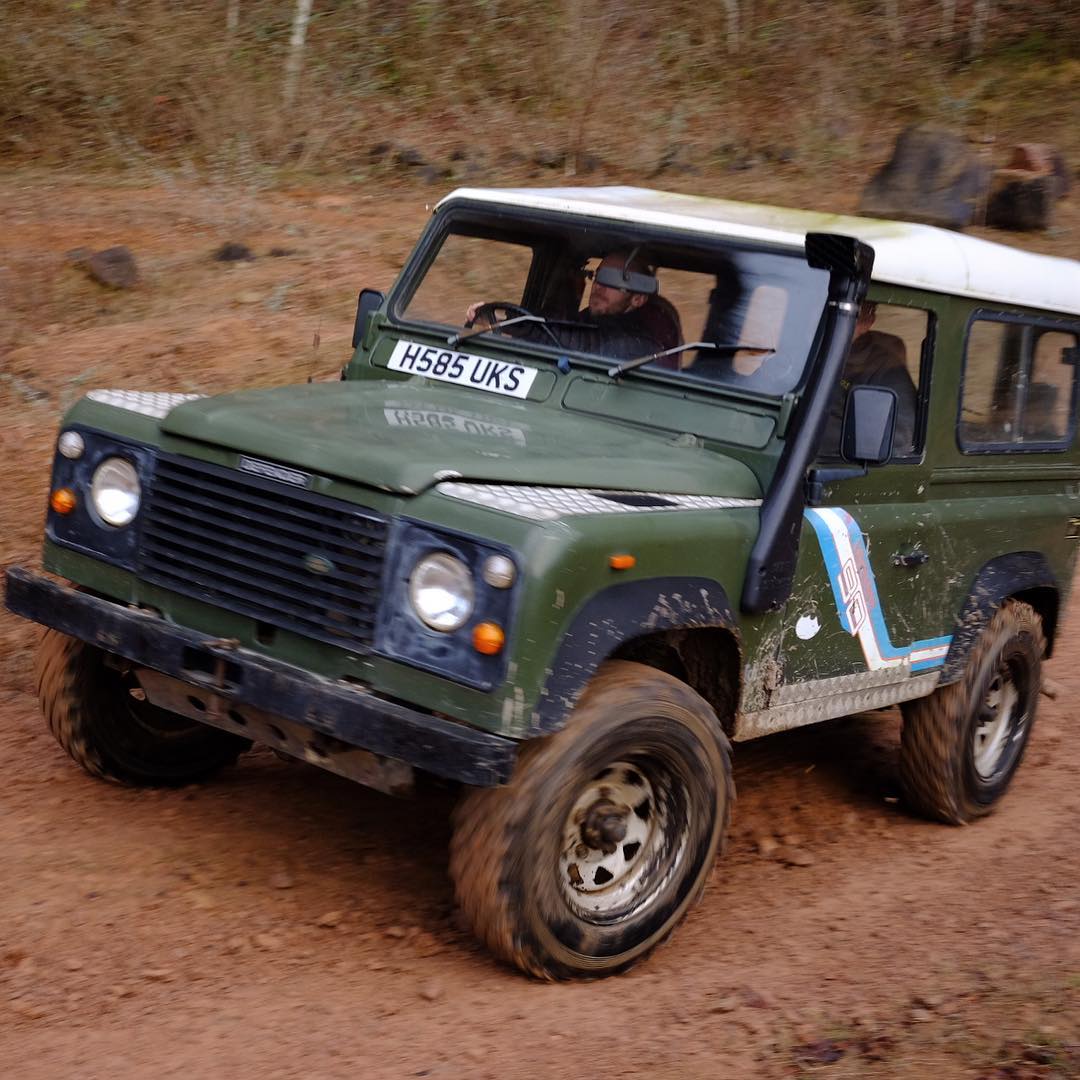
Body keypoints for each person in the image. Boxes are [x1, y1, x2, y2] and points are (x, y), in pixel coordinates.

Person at [466, 251, 677, 360]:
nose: (599, 286)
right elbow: (558, 326)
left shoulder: (641, 344)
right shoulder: (586, 319)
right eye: (598, 277)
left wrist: (510, 323)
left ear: (637, 299)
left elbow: (577, 342)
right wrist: (502, 320)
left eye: (613, 281)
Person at [821, 301, 917, 458]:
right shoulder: (807, 352)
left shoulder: (886, 369)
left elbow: (898, 441)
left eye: (848, 311)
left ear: (867, 321)